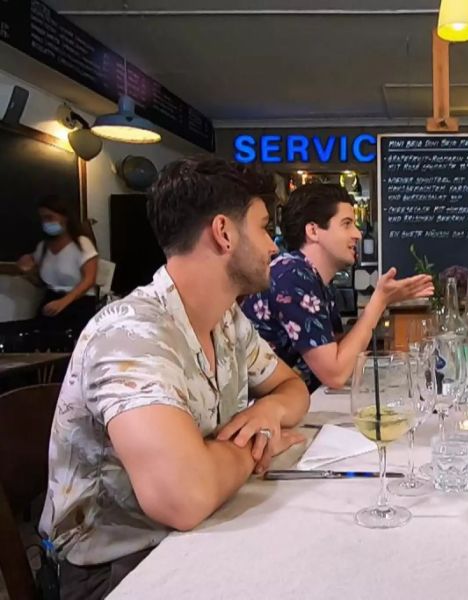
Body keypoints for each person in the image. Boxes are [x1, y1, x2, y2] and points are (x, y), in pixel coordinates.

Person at [39, 158, 311, 599]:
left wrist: (269, 409)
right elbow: (183, 498)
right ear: (224, 232)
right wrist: (257, 447)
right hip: (114, 568)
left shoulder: (227, 321)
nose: (274, 247)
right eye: (263, 228)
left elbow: (293, 389)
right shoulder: (130, 333)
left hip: (201, 529)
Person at [242, 183, 433, 392]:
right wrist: (379, 302)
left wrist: (382, 302)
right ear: (313, 230)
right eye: (347, 224)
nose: (358, 234)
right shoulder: (291, 276)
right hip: (264, 413)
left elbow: (341, 352)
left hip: (295, 406)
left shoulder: (312, 277)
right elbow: (336, 373)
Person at [15, 194, 99, 338]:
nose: (45, 222)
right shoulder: (42, 247)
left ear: (64, 217)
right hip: (51, 301)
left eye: (49, 217)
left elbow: (89, 280)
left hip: (78, 304)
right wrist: (27, 272)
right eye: (42, 219)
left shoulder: (82, 243)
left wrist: (63, 302)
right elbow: (42, 283)